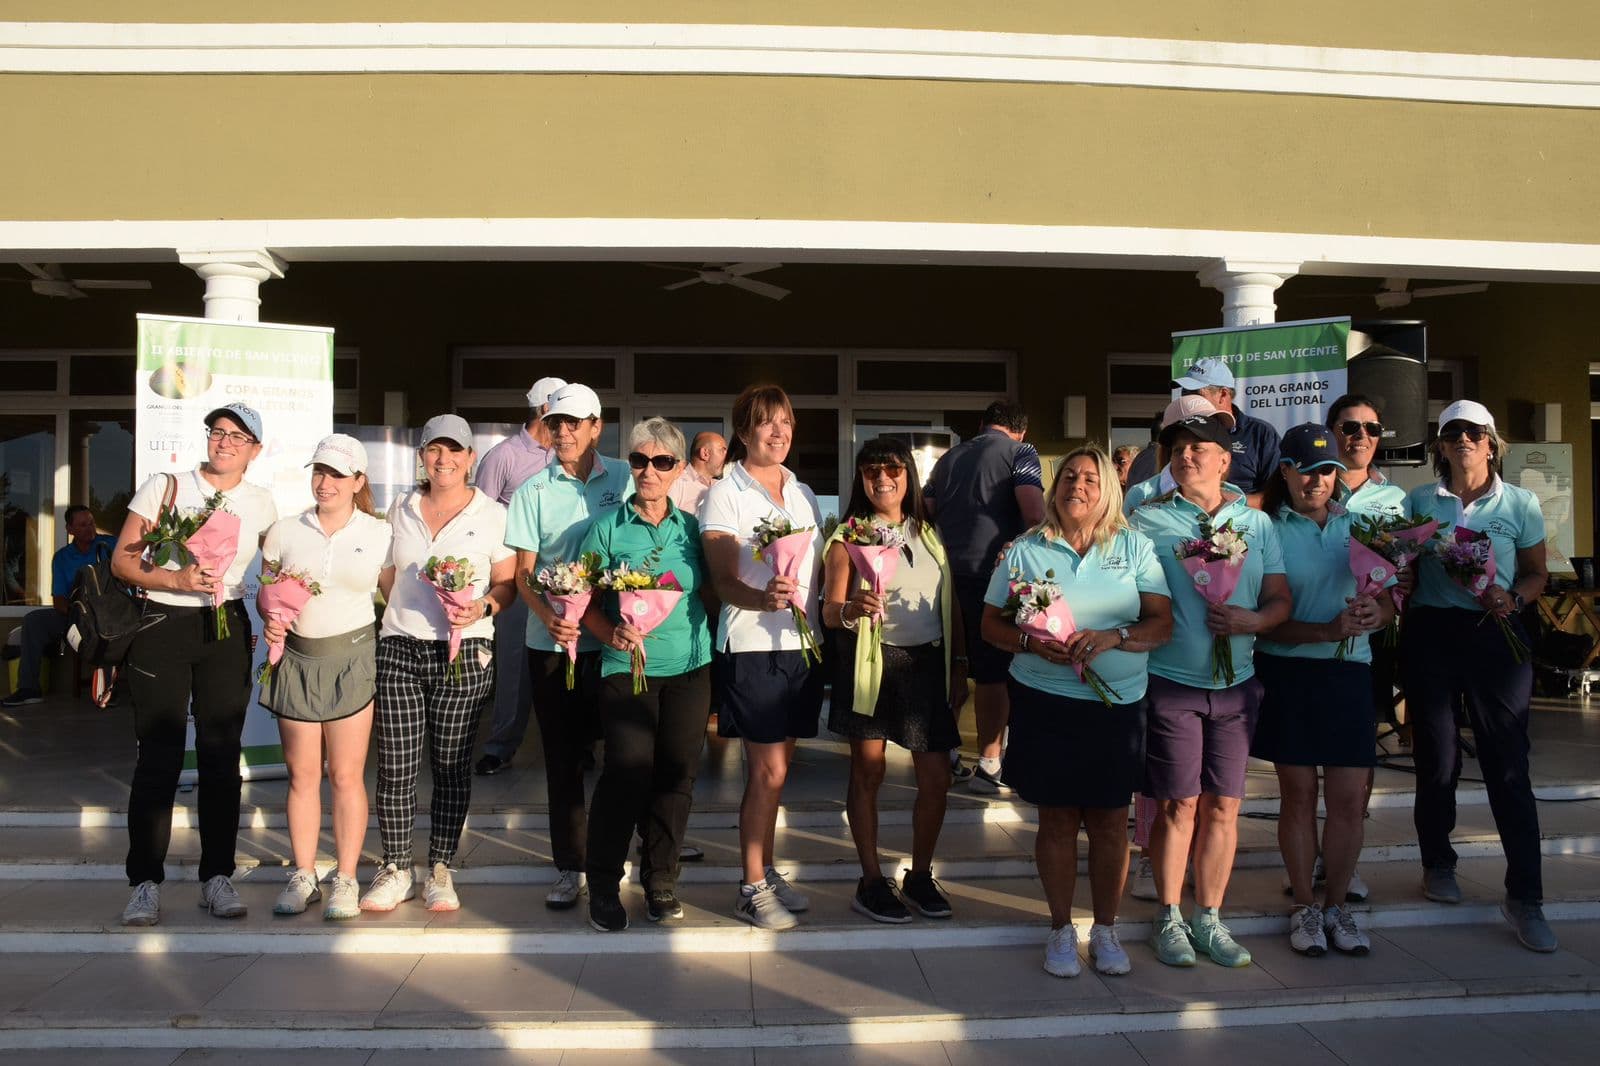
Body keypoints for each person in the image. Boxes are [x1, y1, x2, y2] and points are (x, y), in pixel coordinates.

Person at [983, 445, 1172, 977]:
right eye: (1068, 476)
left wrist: (1116, 637)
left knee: (1110, 821)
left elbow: (1162, 624)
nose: (1077, 486)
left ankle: (1106, 929)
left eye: (1090, 478)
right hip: (1045, 703)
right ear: (1054, 487)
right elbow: (990, 625)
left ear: (1108, 488)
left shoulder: (1134, 546)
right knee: (1057, 819)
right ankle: (1061, 928)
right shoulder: (1024, 549)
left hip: (1118, 708)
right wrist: (1029, 642)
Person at [1129, 402, 1290, 968]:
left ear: (1225, 460)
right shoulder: (1146, 520)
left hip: (1237, 686)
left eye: (1198, 448)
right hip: (1171, 683)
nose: (1185, 456)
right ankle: (1169, 916)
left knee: (1224, 806)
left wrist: (1253, 621)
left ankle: (1210, 917)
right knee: (1179, 804)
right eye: (1177, 449)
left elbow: (1279, 599)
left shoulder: (1258, 524)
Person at [111, 403, 279, 927]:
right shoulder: (166, 486)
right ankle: (144, 882)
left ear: (255, 450)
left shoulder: (262, 502)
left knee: (221, 756)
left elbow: (273, 571)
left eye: (238, 436)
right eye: (218, 432)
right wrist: (175, 580)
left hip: (225, 626)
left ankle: (217, 877)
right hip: (163, 623)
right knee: (159, 756)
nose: (225, 442)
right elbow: (123, 561)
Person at [1403, 399, 1554, 953]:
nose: (1463, 440)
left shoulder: (1520, 502)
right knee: (1437, 756)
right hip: (1433, 632)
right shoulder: (1420, 500)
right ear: (1440, 447)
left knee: (1508, 762)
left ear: (1491, 443)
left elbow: (1537, 573)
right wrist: (1393, 569)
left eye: (1474, 432)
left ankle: (1526, 897)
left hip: (1496, 632)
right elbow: (1402, 564)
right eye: (1452, 433)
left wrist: (1513, 598)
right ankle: (1437, 861)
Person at [361, 414, 517, 914]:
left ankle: (441, 866)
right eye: (434, 449)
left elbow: (507, 585)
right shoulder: (399, 509)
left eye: (454, 450)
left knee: (450, 766)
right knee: (396, 766)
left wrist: (482, 607)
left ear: (471, 458)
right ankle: (396, 867)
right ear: (421, 457)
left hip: (465, 652)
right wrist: (408, 614)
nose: (443, 459)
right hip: (400, 647)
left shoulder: (493, 514)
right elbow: (388, 576)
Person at [1253, 424, 1393, 957]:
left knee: (1349, 800)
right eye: (1307, 471)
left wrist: (1377, 612)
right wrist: (1325, 631)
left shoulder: (1360, 527)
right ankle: (1305, 906)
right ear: (1286, 471)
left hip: (1349, 673)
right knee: (1299, 795)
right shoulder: (1265, 530)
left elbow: (1389, 599)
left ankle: (1337, 907)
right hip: (1288, 672)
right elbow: (1266, 621)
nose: (1317, 481)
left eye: (1328, 471)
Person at [578, 417, 714, 931]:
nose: (649, 471)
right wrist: (608, 631)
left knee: (677, 776)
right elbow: (580, 598)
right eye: (639, 460)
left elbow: (713, 589)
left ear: (679, 469)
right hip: (625, 667)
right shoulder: (607, 528)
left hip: (689, 667)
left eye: (661, 462)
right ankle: (603, 883)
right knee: (626, 771)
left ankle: (660, 879)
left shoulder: (692, 529)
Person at [822, 437, 964, 925]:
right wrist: (851, 609)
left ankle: (920, 875)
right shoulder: (849, 536)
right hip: (871, 662)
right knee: (868, 771)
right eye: (870, 471)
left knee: (936, 777)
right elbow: (829, 611)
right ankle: (870, 879)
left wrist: (959, 664)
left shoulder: (929, 532)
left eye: (892, 469)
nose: (882, 478)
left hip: (927, 663)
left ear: (908, 475)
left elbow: (951, 602)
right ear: (860, 479)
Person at [505, 383, 634, 910]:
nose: (563, 432)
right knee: (564, 761)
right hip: (551, 646)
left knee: (625, 754)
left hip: (613, 642)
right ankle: (570, 866)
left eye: (573, 423)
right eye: (555, 423)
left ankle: (618, 851)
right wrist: (551, 618)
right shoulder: (532, 490)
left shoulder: (624, 476)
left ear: (596, 427)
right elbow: (523, 573)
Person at [701, 384, 824, 930]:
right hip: (752, 646)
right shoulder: (725, 492)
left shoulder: (803, 492)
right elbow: (723, 580)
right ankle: (750, 888)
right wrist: (761, 598)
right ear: (744, 431)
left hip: (801, 645)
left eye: (786, 422)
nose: (779, 432)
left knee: (780, 772)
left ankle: (767, 869)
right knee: (766, 771)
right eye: (767, 422)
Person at [259, 434, 391, 920]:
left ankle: (347, 877)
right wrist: (270, 619)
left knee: (346, 775)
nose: (325, 482)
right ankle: (303, 874)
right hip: (297, 659)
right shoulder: (284, 531)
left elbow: (395, 596)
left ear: (358, 481)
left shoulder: (380, 533)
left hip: (353, 659)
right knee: (302, 775)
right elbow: (268, 596)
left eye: (337, 474)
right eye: (319, 471)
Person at [925, 401, 1045, 793]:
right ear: (1021, 430)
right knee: (994, 673)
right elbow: (1033, 512)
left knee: (954, 666)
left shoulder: (948, 458)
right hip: (994, 577)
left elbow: (925, 511)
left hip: (945, 576)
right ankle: (990, 764)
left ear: (981, 425)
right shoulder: (1021, 452)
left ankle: (944, 753)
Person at [474, 375, 566, 777]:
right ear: (545, 410)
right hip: (516, 576)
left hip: (563, 577)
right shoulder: (504, 456)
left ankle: (574, 745)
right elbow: (479, 517)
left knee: (564, 660)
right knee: (514, 664)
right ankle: (501, 746)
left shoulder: (568, 456)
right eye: (562, 413)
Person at [1, 504, 114, 707]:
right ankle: (29, 689)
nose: (89, 528)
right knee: (34, 621)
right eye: (82, 525)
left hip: (110, 614)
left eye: (91, 523)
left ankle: (110, 688)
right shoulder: (62, 557)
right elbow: (59, 599)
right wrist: (77, 614)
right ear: (70, 529)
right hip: (78, 615)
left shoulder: (109, 545)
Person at [1172, 357, 1282, 505]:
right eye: (1185, 393)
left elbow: (1275, 495)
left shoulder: (1260, 434)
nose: (1188, 400)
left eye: (1195, 394)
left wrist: (1225, 506)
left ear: (1223, 394)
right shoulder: (1178, 432)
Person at [666, 430, 727, 517]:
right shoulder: (677, 481)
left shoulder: (721, 486)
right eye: (722, 450)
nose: (727, 457)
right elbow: (667, 520)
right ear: (705, 453)